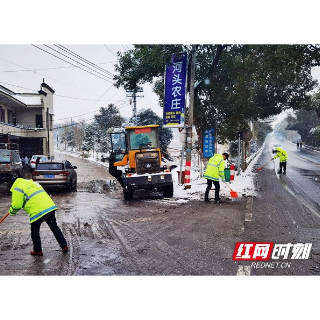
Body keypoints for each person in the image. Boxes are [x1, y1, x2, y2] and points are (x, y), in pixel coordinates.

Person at [7, 178, 68, 256]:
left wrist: (11, 212)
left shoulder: (17, 188)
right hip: (49, 206)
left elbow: (16, 205)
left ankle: (37, 250)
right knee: (54, 227)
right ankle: (64, 246)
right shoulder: (33, 183)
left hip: (37, 209)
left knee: (35, 231)